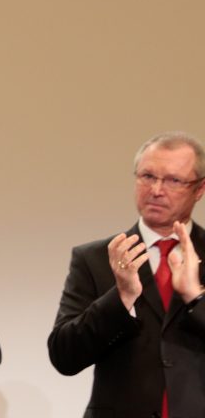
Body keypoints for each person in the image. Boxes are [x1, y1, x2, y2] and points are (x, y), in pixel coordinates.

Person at [48, 131, 205, 417]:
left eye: (173, 180)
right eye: (147, 176)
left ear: (199, 190)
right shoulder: (95, 258)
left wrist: (196, 298)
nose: (156, 190)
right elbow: (64, 356)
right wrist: (120, 297)